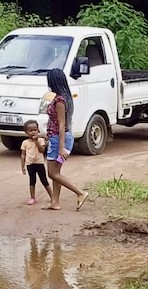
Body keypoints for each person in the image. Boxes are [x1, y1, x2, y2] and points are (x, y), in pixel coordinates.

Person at [42, 68, 89, 211]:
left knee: (52, 173)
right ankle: (55, 202)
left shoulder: (60, 100)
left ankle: (80, 193)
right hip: (59, 138)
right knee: (57, 172)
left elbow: (62, 125)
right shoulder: (64, 97)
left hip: (59, 140)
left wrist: (61, 147)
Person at [20, 120, 53, 205]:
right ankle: (32, 198)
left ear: (38, 130)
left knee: (44, 181)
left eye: (35, 130)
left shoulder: (41, 140)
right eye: (30, 131)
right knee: (32, 181)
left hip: (39, 163)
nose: (33, 132)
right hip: (30, 164)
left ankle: (52, 197)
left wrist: (36, 141)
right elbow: (23, 155)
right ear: (26, 132)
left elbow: (42, 150)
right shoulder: (25, 143)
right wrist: (23, 166)